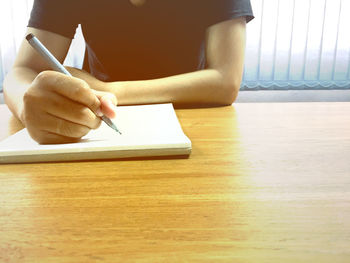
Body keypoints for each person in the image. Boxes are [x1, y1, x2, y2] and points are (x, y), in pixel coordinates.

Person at [3, 0, 254, 144]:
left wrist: (112, 91)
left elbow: (225, 81)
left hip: (194, 129)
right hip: (97, 126)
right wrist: (28, 109)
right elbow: (23, 71)